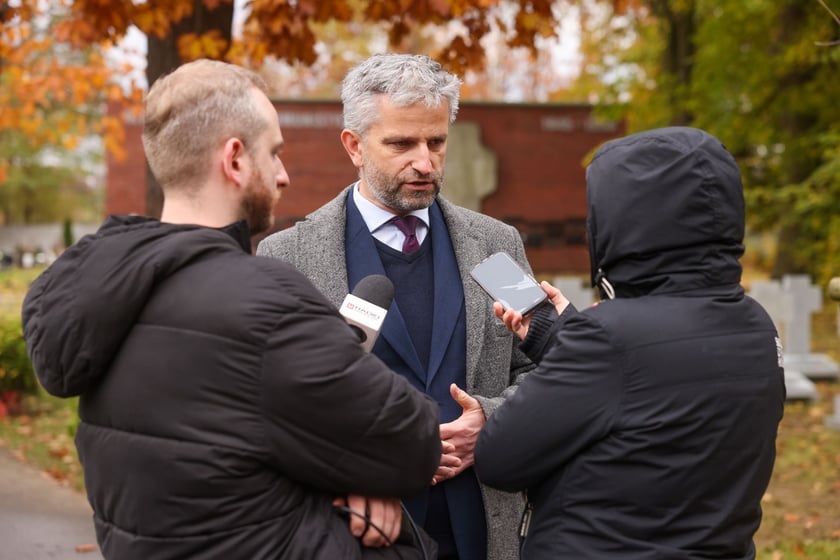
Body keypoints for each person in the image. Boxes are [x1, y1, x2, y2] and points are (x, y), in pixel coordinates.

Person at [21, 59, 442, 560]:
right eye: (274, 153)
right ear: (235, 160)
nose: (283, 175)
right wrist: (354, 479)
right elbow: (410, 442)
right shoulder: (267, 304)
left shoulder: (99, 290)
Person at [257, 53, 534, 560]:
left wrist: (491, 421)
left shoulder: (495, 247)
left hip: (481, 528)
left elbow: (545, 366)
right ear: (354, 146)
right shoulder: (288, 257)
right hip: (352, 532)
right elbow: (271, 406)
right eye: (402, 144)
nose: (425, 163)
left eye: (436, 142)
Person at [474, 126, 786, 559]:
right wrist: (562, 336)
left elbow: (499, 458)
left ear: (620, 222)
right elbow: (657, 390)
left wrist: (579, 344)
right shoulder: (755, 324)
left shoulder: (608, 338)